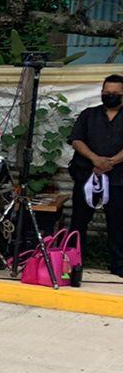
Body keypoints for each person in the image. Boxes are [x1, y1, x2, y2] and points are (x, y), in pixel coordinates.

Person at [68, 73, 123, 277]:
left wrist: (111, 162)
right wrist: (95, 159)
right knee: (78, 222)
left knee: (118, 224)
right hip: (87, 176)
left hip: (118, 179)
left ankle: (118, 264)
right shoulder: (88, 114)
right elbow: (76, 140)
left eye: (115, 93)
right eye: (107, 92)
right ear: (101, 92)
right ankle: (74, 262)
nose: (110, 96)